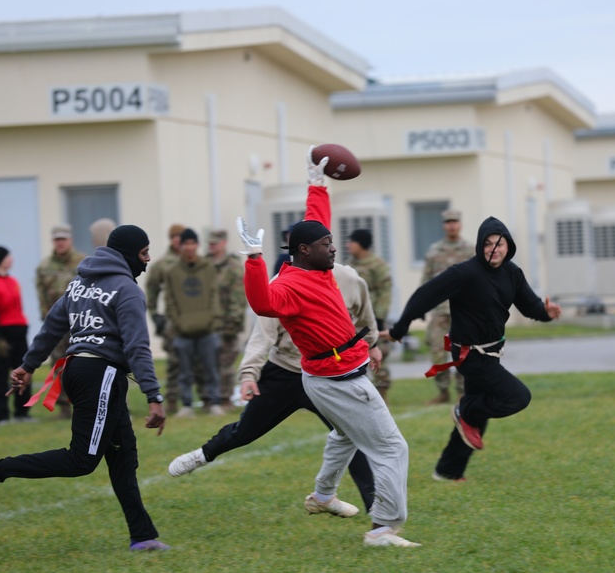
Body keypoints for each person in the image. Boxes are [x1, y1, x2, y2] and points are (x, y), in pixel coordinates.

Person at [237, 150, 417, 548]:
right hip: (338, 379)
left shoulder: (316, 266)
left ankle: (321, 497)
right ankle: (384, 528)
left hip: (326, 375)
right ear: (304, 251)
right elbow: (262, 303)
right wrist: (253, 259)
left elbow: (317, 219)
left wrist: (317, 182)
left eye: (332, 242)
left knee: (344, 436)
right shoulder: (288, 286)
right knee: (392, 447)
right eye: (326, 244)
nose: (333, 248)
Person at [0, 224, 169, 552]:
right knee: (82, 459)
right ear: (129, 254)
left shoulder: (80, 283)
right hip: (100, 374)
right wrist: (154, 396)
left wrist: (27, 365)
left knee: (123, 458)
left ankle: (143, 536)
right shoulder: (128, 290)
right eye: (144, 253)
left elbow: (52, 327)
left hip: (79, 369)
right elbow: (137, 347)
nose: (148, 260)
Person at [167, 261, 378, 516]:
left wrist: (372, 342)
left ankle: (365, 506)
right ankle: (201, 456)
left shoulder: (345, 277)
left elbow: (364, 313)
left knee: (350, 434)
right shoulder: (282, 285)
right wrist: (248, 375)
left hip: (327, 374)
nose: (329, 249)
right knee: (244, 432)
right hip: (285, 374)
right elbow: (262, 336)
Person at [383, 216, 561, 482]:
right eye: (488, 243)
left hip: (491, 352)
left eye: (499, 244)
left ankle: (447, 470)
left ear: (508, 246)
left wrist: (547, 313)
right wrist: (400, 329)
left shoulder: (512, 273)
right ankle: (464, 410)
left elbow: (531, 306)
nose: (494, 249)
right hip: (470, 354)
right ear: (480, 245)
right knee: (517, 397)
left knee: (476, 420)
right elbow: (425, 295)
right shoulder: (464, 272)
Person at [165, 228, 224, 417]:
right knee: (184, 371)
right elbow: (170, 299)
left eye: (193, 243)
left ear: (197, 245)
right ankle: (187, 404)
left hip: (207, 329)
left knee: (211, 368)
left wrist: (213, 318)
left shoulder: (207, 267)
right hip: (183, 331)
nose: (189, 247)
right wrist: (177, 322)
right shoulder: (172, 271)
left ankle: (214, 402)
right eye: (186, 243)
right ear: (180, 246)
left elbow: (214, 294)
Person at [421, 209, 475, 405]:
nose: (451, 225)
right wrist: (421, 305)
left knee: (464, 352)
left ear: (460, 224)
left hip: (464, 311)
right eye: (448, 222)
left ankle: (462, 391)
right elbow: (426, 280)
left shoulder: (470, 250)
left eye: (455, 222)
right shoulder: (434, 251)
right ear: (444, 225)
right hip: (440, 311)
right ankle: (443, 391)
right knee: (436, 350)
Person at [35, 224, 87, 419]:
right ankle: (64, 407)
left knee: (81, 363)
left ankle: (83, 404)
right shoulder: (44, 267)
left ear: (70, 240)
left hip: (80, 322)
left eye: (63, 239)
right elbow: (41, 295)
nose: (60, 243)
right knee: (59, 365)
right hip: (57, 323)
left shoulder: (83, 262)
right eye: (57, 239)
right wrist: (46, 319)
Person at [0, 246, 33, 425]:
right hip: (2, 334)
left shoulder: (12, 280)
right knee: (1, 376)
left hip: (19, 332)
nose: (11, 259)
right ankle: (2, 415)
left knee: (24, 373)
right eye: (7, 256)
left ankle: (22, 412)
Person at [346, 228, 393, 402]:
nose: (348, 245)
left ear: (362, 244)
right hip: (352, 319)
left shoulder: (377, 264)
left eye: (352, 242)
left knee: (379, 353)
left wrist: (380, 317)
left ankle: (382, 391)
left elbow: (385, 291)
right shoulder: (349, 265)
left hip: (373, 318)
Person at [146, 224, 185, 413]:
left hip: (197, 319)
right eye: (175, 236)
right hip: (173, 321)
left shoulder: (195, 260)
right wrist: (155, 317)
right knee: (174, 364)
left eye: (181, 236)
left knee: (202, 364)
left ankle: (207, 401)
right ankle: (171, 401)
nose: (178, 240)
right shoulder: (162, 264)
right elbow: (151, 292)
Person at [208, 229, 247, 409]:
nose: (211, 245)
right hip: (207, 323)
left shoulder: (233, 266)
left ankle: (225, 399)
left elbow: (238, 296)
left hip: (227, 322)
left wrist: (234, 321)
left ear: (223, 243)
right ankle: (210, 399)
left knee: (225, 363)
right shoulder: (204, 264)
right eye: (210, 242)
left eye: (215, 242)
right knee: (207, 363)